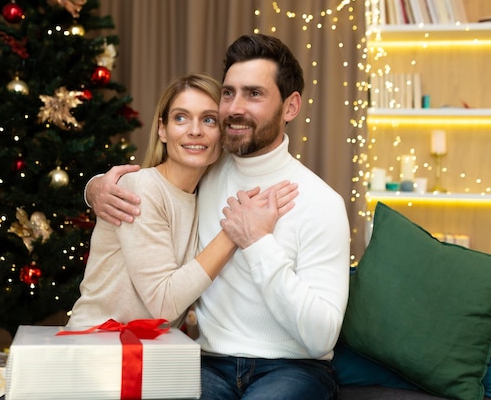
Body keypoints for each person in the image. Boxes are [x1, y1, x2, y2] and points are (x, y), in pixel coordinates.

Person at [85, 34, 350, 400]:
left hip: (293, 367)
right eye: (228, 93)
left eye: (254, 94)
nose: (235, 108)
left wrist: (258, 241)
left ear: (291, 107)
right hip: (207, 361)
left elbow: (322, 336)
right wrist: (95, 187)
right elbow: (156, 183)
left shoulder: (321, 202)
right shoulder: (205, 172)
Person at [67, 73, 298, 329]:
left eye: (209, 120)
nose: (195, 131)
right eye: (181, 118)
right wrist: (236, 230)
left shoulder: (206, 193)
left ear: (222, 134)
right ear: (162, 129)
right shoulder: (142, 187)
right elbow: (164, 305)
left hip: (154, 351)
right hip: (99, 348)